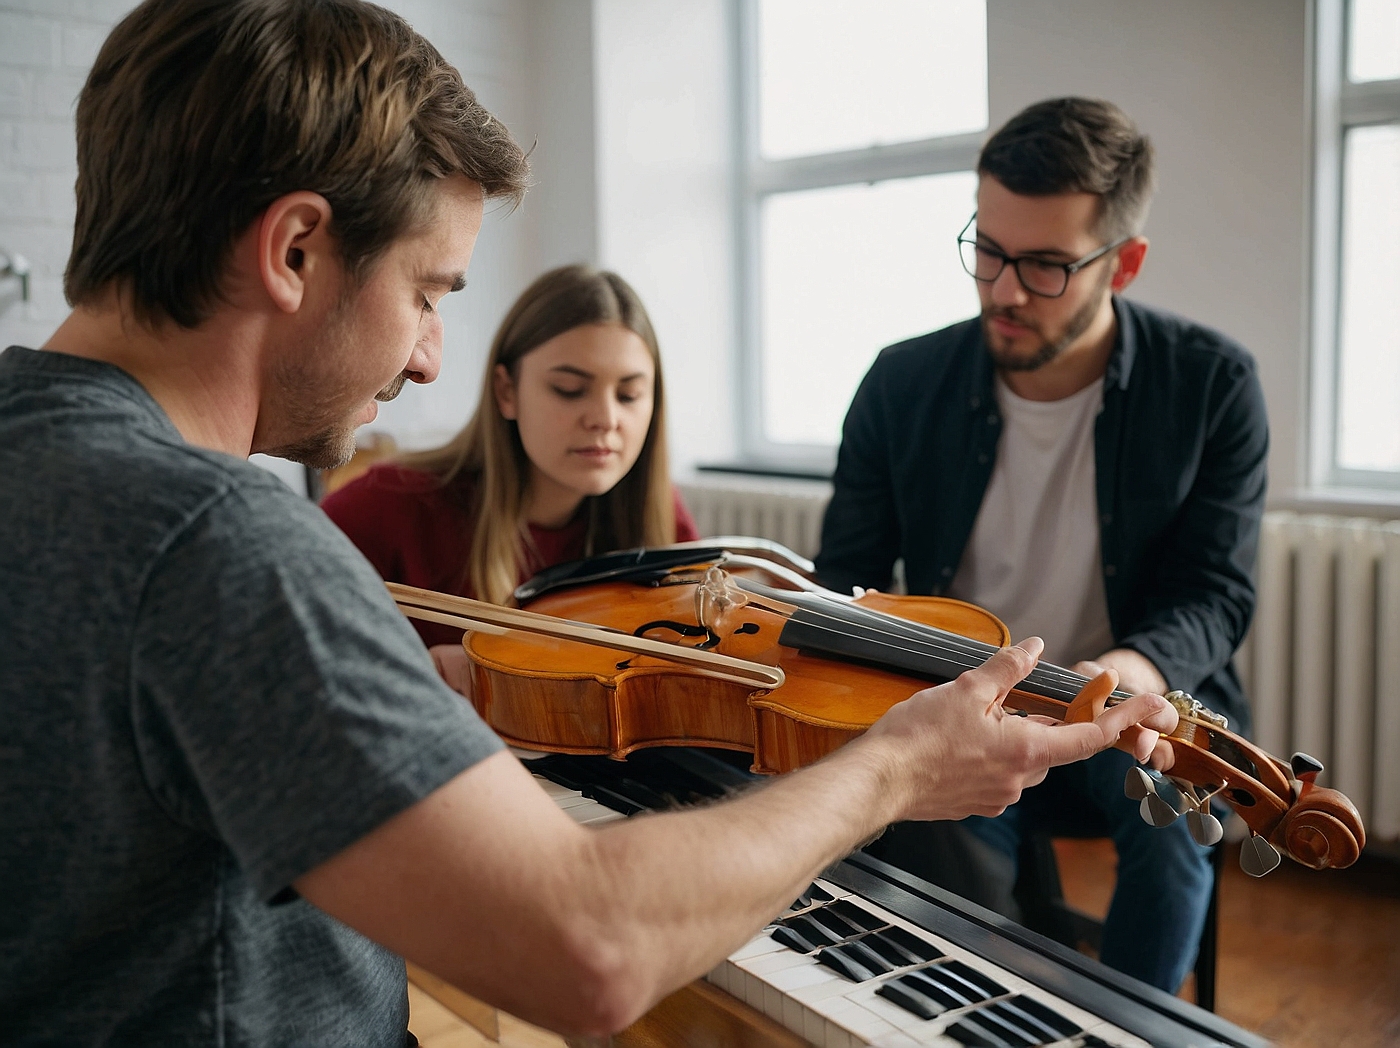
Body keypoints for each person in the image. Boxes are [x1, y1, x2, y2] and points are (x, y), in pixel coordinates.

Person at [0, 3, 1180, 1040]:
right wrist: (897, 766)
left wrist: (423, 692)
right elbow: (590, 947)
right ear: (295, 249)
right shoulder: (220, 541)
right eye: (426, 291)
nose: (427, 358)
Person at [815, 97, 1269, 994]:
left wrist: (1131, 669)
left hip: (1128, 700)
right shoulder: (900, 382)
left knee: (1171, 834)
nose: (1004, 290)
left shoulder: (1213, 385)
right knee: (948, 880)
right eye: (987, 249)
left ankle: (1123, 1028)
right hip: (961, 699)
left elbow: (1214, 591)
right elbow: (847, 575)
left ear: (1124, 263)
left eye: (1047, 266)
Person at [321, 264, 699, 691]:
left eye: (629, 395)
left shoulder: (655, 509)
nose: (606, 419)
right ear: (506, 391)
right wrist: (423, 678)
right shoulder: (379, 509)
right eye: (569, 389)